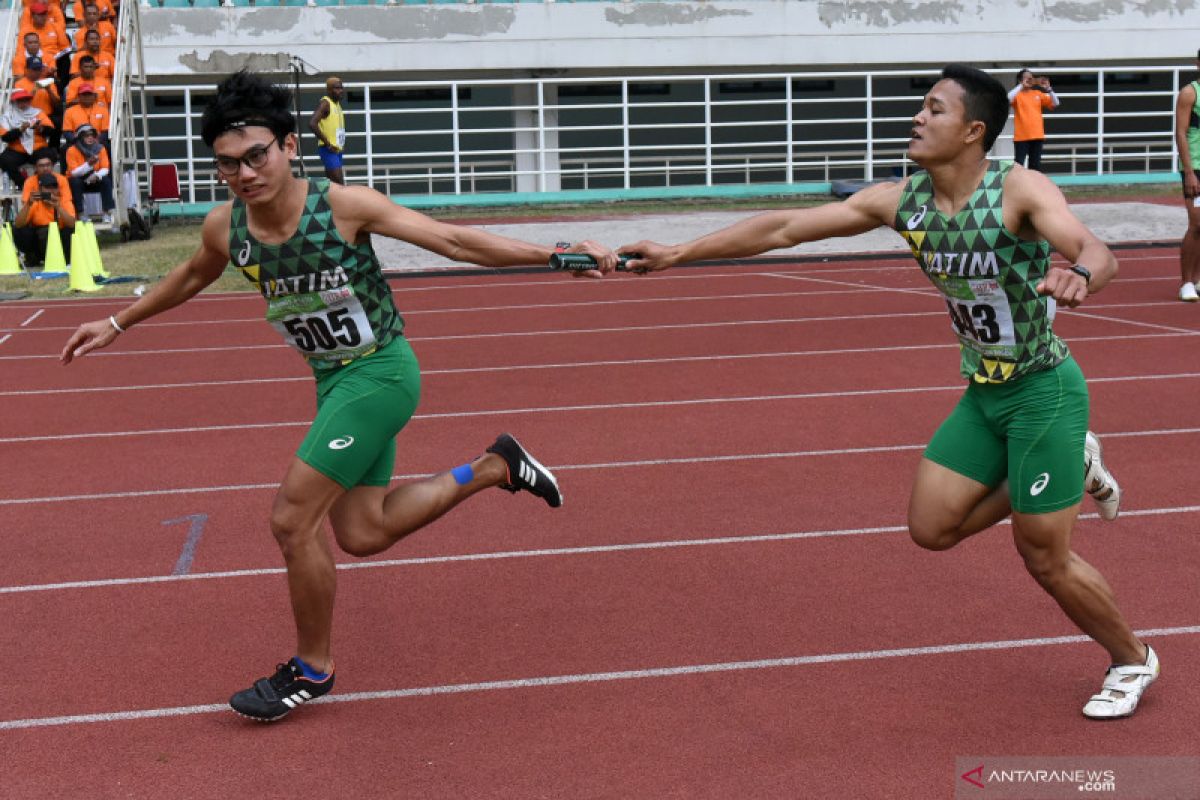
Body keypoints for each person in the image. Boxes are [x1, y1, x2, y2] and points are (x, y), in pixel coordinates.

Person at [60, 70, 616, 723]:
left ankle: (311, 669)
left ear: (291, 146)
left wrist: (556, 253)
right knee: (363, 531)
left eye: (257, 155)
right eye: (227, 164)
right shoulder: (226, 228)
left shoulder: (343, 206)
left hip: (380, 373)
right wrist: (118, 322)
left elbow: (454, 241)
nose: (243, 173)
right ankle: (497, 465)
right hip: (332, 382)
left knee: (293, 520)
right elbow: (189, 277)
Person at [618, 64, 1157, 720]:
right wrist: (677, 253)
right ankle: (1070, 466)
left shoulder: (1019, 189)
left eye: (934, 110)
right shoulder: (904, 201)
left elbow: (1094, 248)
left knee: (1042, 555)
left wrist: (1082, 274)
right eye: (921, 108)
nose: (918, 118)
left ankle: (1132, 658)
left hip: (1044, 390)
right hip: (984, 392)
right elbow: (785, 229)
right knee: (931, 528)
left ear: (973, 131)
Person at [13, 147, 75, 268]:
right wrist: (29, 204)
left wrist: (58, 206)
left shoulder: (62, 183)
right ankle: (32, 257)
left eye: (48, 165)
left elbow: (72, 223)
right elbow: (19, 224)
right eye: (41, 165)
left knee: (70, 229)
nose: (46, 168)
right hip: (39, 232)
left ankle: (67, 259)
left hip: (58, 230)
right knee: (19, 229)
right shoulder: (31, 187)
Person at [1173, 50, 1200, 302]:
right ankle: (1187, 282)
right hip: (1197, 166)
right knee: (1197, 223)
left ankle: (1198, 278)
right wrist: (1189, 172)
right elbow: (1180, 133)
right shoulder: (1190, 92)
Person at [0, 88, 55, 187]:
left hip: (37, 148)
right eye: (20, 100)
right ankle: (24, 185)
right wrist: (20, 130)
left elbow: (51, 131)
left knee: (50, 155)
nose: (24, 103)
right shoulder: (7, 116)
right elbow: (5, 137)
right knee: (4, 160)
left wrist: (40, 128)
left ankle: (43, 183)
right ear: (14, 101)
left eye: (26, 100)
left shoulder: (38, 113)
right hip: (16, 150)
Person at [1008, 68, 1059, 172]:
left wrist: (1049, 89)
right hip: (1021, 137)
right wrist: (1022, 85)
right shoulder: (1017, 94)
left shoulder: (1037, 93)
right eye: (1027, 78)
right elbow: (1008, 98)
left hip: (1037, 135)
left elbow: (1056, 103)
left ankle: (1032, 187)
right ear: (1020, 80)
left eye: (1031, 77)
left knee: (1035, 166)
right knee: (1018, 165)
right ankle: (1018, 186)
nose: (1030, 80)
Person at [65, 123, 112, 222]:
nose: (90, 138)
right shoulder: (72, 150)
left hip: (94, 178)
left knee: (106, 180)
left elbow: (105, 168)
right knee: (75, 182)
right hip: (78, 180)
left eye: (92, 135)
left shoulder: (100, 148)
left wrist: (97, 175)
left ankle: (107, 212)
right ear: (80, 137)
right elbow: (74, 172)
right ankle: (81, 213)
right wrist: (88, 164)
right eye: (86, 135)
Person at [308, 76, 346, 184]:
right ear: (329, 90)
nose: (340, 91)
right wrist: (327, 143)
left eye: (341, 88)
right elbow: (312, 123)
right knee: (339, 184)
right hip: (328, 149)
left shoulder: (337, 105)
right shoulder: (325, 103)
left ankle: (327, 201)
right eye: (337, 88)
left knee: (333, 185)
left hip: (337, 150)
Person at [61, 84, 109, 148]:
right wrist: (77, 142)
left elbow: (106, 131)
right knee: (65, 149)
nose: (87, 97)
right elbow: (67, 131)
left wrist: (97, 140)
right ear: (78, 96)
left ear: (94, 96)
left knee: (108, 147)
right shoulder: (69, 111)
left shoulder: (103, 110)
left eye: (89, 94)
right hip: (78, 141)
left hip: (97, 141)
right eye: (84, 94)